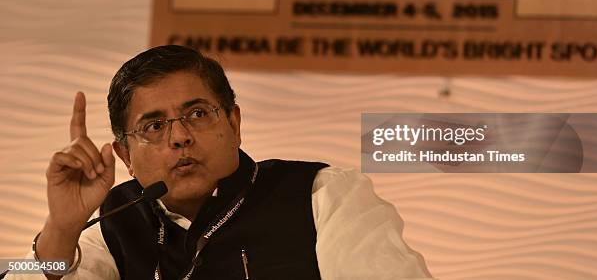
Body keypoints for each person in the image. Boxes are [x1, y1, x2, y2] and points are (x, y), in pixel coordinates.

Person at [6, 45, 433, 280]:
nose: (179, 136)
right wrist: (61, 227)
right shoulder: (118, 220)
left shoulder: (323, 196)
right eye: (153, 126)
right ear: (124, 156)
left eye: (197, 113)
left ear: (234, 121)